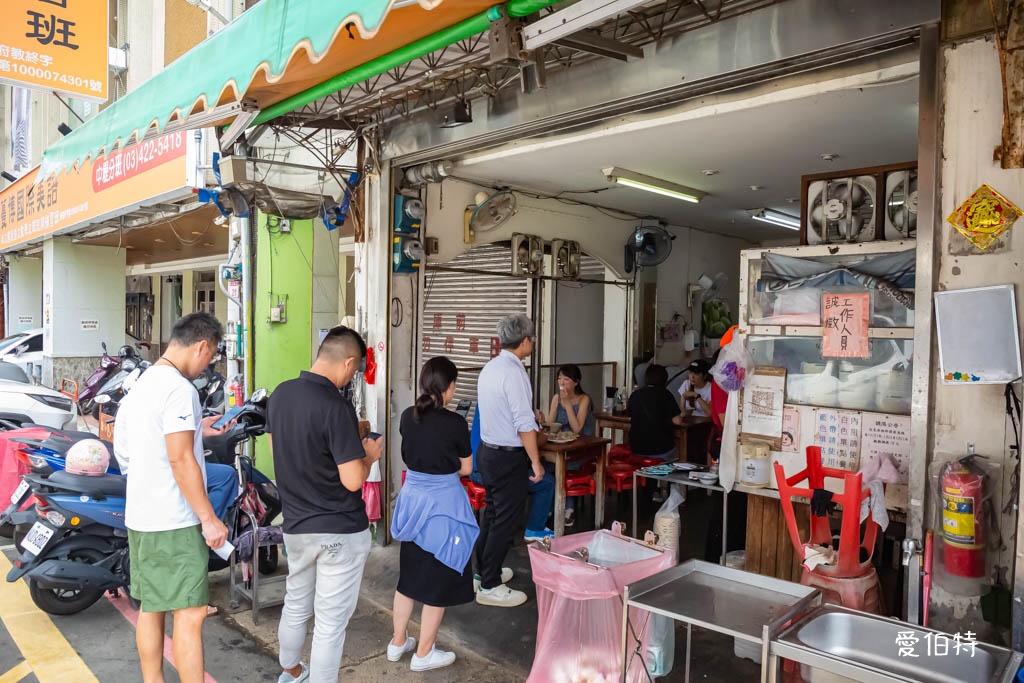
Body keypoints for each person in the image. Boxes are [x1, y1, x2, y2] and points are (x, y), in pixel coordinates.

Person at [116, 312, 230, 683]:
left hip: (142, 516)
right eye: (210, 356)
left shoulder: (142, 384)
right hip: (175, 521)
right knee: (190, 612)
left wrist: (199, 430)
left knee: (152, 608)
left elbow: (130, 452)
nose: (206, 365)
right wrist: (209, 518)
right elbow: (180, 458)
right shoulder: (180, 389)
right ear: (201, 346)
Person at [268, 326, 383, 683]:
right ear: (349, 362)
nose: (353, 376)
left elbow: (283, 453)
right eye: (356, 368)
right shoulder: (336, 406)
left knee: (297, 602)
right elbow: (352, 480)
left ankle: (291, 671)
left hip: (297, 525)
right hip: (339, 531)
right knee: (331, 623)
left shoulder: (281, 395)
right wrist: (368, 455)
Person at [389, 357, 479, 672]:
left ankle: (398, 642)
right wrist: (448, 461)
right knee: (438, 581)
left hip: (413, 503)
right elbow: (467, 467)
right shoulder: (455, 423)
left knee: (409, 577)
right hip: (442, 508)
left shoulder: (406, 417)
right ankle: (424, 653)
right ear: (449, 386)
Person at [475, 313, 545, 608]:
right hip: (507, 457)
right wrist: (536, 462)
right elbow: (524, 424)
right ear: (525, 341)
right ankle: (489, 585)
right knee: (505, 519)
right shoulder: (515, 373)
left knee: (492, 514)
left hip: (488, 452)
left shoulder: (490, 367)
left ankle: (483, 573)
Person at [544, 364, 594, 527]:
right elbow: (550, 424)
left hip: (579, 449)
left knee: (564, 468)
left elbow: (577, 428)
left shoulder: (584, 399)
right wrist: (542, 420)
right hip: (559, 446)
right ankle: (550, 507)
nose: (562, 382)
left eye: (566, 379)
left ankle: (569, 509)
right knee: (547, 467)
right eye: (559, 378)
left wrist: (567, 405)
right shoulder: (556, 398)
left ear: (576, 382)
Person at [628, 364, 685, 503]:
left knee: (649, 456)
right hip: (661, 448)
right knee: (678, 455)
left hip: (637, 448)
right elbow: (677, 420)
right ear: (664, 379)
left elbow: (630, 416)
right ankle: (672, 492)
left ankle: (650, 487)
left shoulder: (636, 395)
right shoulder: (665, 394)